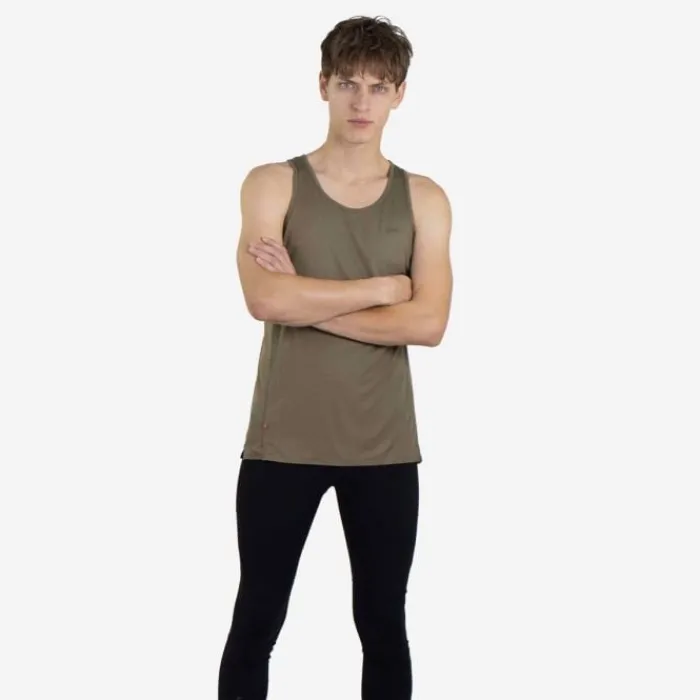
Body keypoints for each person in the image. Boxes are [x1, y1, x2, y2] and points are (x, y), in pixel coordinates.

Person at [218, 15, 452, 700]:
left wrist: (307, 298)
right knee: (257, 619)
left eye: (378, 87)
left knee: (382, 625)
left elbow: (429, 323)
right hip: (282, 442)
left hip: (383, 447)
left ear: (399, 95)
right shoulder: (272, 183)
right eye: (348, 83)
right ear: (323, 84)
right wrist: (382, 289)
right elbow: (265, 299)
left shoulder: (425, 198)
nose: (361, 102)